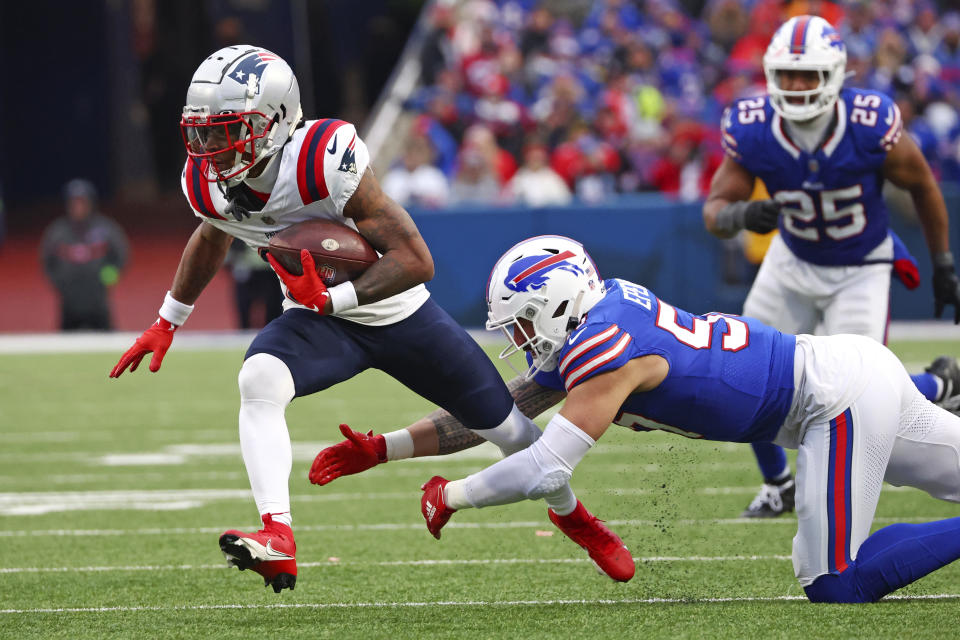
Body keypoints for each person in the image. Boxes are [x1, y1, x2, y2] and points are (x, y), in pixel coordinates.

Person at [107, 46, 630, 593]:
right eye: (204, 132)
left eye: (227, 130)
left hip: (399, 315)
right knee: (257, 379)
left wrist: (333, 300)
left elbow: (415, 260)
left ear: (277, 119)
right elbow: (214, 233)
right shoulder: (207, 181)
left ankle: (575, 518)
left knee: (516, 437)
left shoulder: (321, 158)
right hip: (318, 321)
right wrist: (169, 319)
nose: (211, 147)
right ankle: (277, 534)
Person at [418, 235, 960, 603]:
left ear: (557, 302)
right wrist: (385, 448)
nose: (518, 340)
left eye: (521, 324)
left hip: (833, 402)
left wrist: (454, 494)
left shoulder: (604, 344)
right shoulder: (604, 314)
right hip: (846, 372)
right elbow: (491, 410)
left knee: (832, 580)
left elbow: (545, 470)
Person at [702, 15, 960, 518]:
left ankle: (937, 386)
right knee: (743, 368)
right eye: (788, 74)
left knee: (859, 392)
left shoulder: (868, 123)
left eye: (809, 75)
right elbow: (714, 209)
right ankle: (778, 483)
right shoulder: (754, 127)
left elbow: (924, 185)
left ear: (836, 75)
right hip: (792, 260)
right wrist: (741, 214)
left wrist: (944, 261)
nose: (796, 86)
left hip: (860, 266)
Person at [41, 179, 129, 331]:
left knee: (109, 343)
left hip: (98, 302)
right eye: (74, 203)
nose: (78, 207)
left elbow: (121, 254)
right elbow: (47, 261)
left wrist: (109, 275)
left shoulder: (105, 228)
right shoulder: (58, 232)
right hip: (69, 304)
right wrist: (60, 281)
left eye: (82, 202)